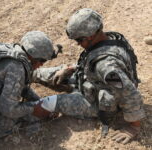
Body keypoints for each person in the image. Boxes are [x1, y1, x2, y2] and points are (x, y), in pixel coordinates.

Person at [32, 8, 145, 144]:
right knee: (50, 73)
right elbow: (95, 61)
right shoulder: (112, 38)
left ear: (90, 36)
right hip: (93, 80)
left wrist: (134, 126)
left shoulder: (106, 67)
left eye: (79, 41)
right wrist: (70, 69)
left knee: (47, 103)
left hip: (96, 102)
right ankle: (30, 75)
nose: (78, 44)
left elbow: (128, 92)